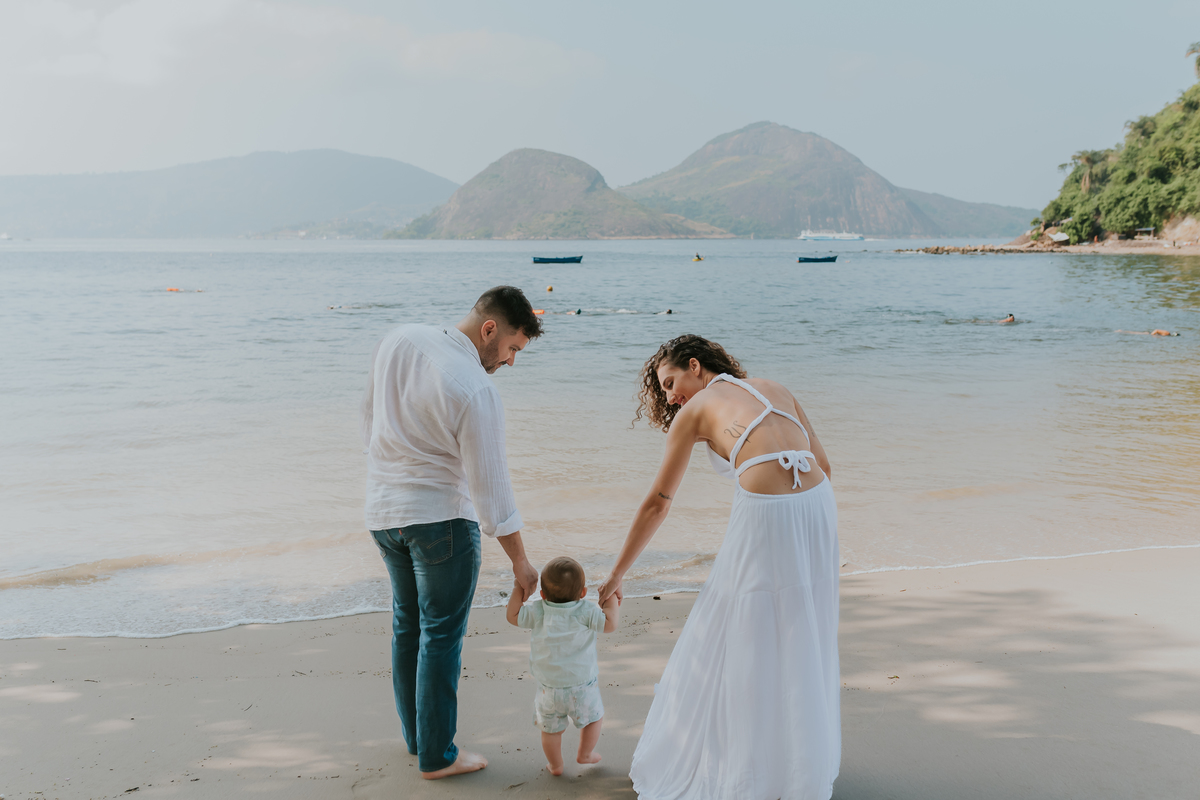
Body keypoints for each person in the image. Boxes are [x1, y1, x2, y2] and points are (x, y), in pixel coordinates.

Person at [598, 334, 840, 800]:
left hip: (770, 509)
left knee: (743, 629)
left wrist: (616, 575)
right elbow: (825, 465)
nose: (670, 397)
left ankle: (749, 770)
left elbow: (657, 504)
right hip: (817, 506)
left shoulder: (697, 410)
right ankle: (796, 768)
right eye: (664, 392)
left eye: (670, 383)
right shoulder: (775, 387)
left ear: (695, 365)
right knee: (800, 627)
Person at [360, 286, 543, 780]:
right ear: (490, 329)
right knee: (441, 635)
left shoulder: (400, 339)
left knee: (408, 626)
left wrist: (388, 481)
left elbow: (369, 417)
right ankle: (438, 757)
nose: (509, 363)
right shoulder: (475, 387)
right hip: (440, 520)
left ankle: (419, 740)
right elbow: (492, 490)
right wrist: (521, 562)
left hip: (383, 514)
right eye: (512, 349)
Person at [506, 556, 621, 776]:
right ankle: (585, 754)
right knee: (594, 718)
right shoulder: (586, 611)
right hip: (582, 686)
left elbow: (513, 615)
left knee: (550, 731)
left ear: (542, 594)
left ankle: (556, 765)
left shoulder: (538, 610)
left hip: (547, 689)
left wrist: (517, 588)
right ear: (583, 593)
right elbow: (610, 624)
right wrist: (611, 598)